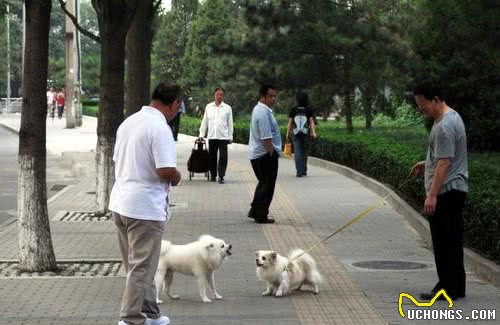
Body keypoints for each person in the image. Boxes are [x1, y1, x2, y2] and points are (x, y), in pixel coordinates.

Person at [109, 83, 182, 325]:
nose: (178, 111)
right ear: (172, 105)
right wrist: (177, 176)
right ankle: (130, 319)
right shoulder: (160, 128)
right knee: (141, 268)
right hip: (145, 209)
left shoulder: (129, 122)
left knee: (140, 266)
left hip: (121, 203)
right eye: (178, 107)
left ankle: (150, 313)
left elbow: (117, 159)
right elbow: (164, 169)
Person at [410, 82, 468, 301]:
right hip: (454, 189)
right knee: (451, 242)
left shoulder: (444, 126)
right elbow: (443, 157)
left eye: (422, 104)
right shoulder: (452, 117)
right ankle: (454, 286)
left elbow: (445, 163)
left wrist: (432, 194)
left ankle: (448, 288)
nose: (420, 109)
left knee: (444, 243)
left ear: (435, 99)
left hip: (447, 191)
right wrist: (425, 163)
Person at [247, 84, 281, 224]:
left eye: (275, 96)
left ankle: (255, 211)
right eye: (270, 96)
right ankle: (261, 215)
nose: (273, 99)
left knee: (263, 184)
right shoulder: (262, 112)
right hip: (265, 154)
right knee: (267, 185)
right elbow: (266, 137)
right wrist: (271, 152)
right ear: (263, 96)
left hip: (261, 153)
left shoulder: (262, 110)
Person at [198, 87, 234, 184]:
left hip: (223, 137)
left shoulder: (227, 108)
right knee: (212, 157)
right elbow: (204, 121)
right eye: (217, 94)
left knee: (223, 157)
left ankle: (221, 176)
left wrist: (230, 137)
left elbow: (230, 124)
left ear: (223, 96)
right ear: (214, 95)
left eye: (221, 95)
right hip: (212, 136)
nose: (219, 96)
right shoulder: (208, 107)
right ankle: (213, 175)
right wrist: (201, 134)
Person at [286, 91, 317, 177]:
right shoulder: (308, 109)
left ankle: (299, 171)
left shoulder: (293, 110)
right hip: (305, 133)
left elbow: (290, 123)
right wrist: (313, 132)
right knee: (304, 151)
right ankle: (303, 170)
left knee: (297, 151)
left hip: (295, 133)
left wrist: (287, 133)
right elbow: (311, 122)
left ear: (297, 99)